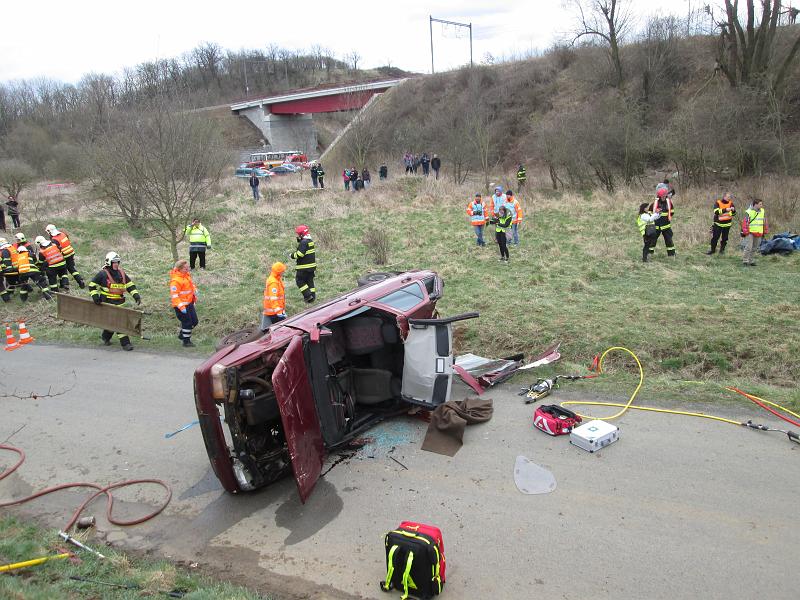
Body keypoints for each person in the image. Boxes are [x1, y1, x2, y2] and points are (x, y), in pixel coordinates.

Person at [88, 251, 141, 351]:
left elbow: (130, 286)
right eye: (114, 262)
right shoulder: (102, 274)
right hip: (107, 303)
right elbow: (91, 286)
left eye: (118, 262)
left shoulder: (121, 273)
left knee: (111, 323)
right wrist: (95, 297)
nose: (116, 264)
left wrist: (136, 296)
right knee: (119, 323)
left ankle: (105, 337)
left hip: (120, 303)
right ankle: (126, 344)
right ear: (109, 263)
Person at [45, 224, 85, 288]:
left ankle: (65, 284)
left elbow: (56, 250)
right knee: (71, 268)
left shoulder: (54, 240)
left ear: (49, 231)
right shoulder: (63, 234)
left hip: (64, 255)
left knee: (63, 270)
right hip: (71, 252)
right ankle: (80, 280)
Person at [169, 259, 198, 347]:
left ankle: (183, 334)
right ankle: (186, 342)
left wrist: (195, 289)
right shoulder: (175, 281)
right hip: (181, 306)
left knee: (195, 321)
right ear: (180, 269)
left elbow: (190, 285)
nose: (188, 269)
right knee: (187, 323)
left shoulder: (186, 276)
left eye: (188, 267)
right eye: (186, 268)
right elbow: (175, 296)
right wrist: (181, 307)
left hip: (189, 303)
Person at [291, 224, 316, 303]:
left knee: (300, 281)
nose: (298, 235)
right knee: (309, 281)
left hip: (304, 268)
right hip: (311, 267)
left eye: (298, 234)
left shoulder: (304, 242)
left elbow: (300, 254)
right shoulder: (310, 241)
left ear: (301, 234)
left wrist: (291, 255)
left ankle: (308, 296)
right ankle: (313, 296)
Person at [261, 261, 287, 331]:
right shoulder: (274, 283)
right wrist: (279, 312)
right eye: (282, 271)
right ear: (279, 272)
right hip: (274, 312)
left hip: (276, 311)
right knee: (281, 330)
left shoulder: (277, 279)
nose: (283, 272)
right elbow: (273, 299)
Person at [741, 199, 767, 266]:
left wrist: (765, 230)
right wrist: (746, 231)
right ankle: (745, 261)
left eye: (761, 204)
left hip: (759, 232)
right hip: (750, 232)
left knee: (755, 248)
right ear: (755, 204)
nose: (761, 205)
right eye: (760, 204)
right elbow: (745, 222)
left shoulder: (763, 211)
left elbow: (764, 221)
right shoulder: (748, 212)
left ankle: (751, 261)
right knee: (749, 247)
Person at [651, 187, 676, 257]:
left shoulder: (669, 203)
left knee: (669, 240)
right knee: (652, 240)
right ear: (659, 196)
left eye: (665, 196)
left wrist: (667, 217)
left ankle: (671, 254)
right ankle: (649, 253)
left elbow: (672, 212)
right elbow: (650, 212)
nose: (664, 197)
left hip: (666, 226)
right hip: (656, 226)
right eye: (662, 196)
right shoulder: (655, 203)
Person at [0, 237, 20, 302]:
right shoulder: (11, 248)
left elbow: (6, 262)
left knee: (2, 287)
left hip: (11, 270)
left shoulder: (5, 251)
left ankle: (7, 299)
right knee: (12, 282)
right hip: (18, 268)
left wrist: (6, 270)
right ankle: (9, 293)